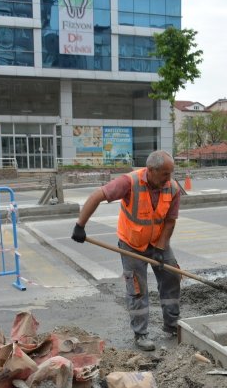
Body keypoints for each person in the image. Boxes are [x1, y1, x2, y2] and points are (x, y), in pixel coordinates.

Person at [71, 150, 181, 351]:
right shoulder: (129, 182)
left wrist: (160, 247)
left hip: (158, 241)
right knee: (138, 288)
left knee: (172, 275)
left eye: (170, 173)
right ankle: (141, 334)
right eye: (165, 173)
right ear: (151, 170)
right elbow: (98, 195)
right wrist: (80, 225)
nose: (169, 178)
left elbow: (170, 221)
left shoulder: (172, 188)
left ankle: (172, 325)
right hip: (132, 243)